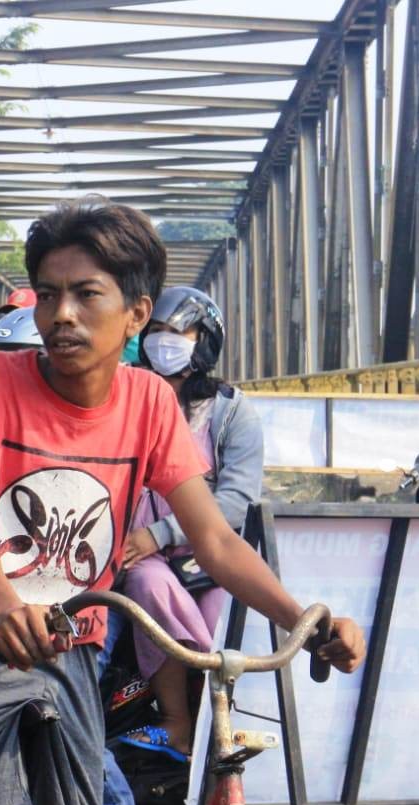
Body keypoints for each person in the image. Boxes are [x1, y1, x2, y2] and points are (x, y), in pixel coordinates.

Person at [0, 200, 366, 805]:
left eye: (88, 295)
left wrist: (304, 621)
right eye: (50, 295)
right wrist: (4, 603)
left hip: (67, 654)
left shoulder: (149, 402)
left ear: (136, 314)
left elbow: (215, 538)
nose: (63, 314)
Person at [114, 286, 263, 761]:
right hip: (142, 553)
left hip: (207, 549)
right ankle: (176, 720)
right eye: (155, 330)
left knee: (226, 615)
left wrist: (163, 532)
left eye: (179, 330)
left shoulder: (230, 410)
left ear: (205, 340)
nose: (165, 340)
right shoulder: (124, 397)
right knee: (148, 589)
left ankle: (220, 725)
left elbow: (236, 499)